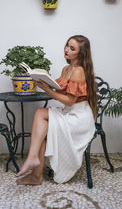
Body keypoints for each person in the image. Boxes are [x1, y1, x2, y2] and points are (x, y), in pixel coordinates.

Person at [16, 35, 97, 185]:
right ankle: (36, 175)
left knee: (40, 114)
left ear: (81, 53)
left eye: (72, 48)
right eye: (67, 46)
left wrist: (46, 89)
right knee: (43, 129)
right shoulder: (66, 69)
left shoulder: (79, 71)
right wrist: (42, 80)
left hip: (79, 118)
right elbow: (61, 90)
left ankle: (32, 160)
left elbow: (69, 100)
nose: (67, 50)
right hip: (69, 112)